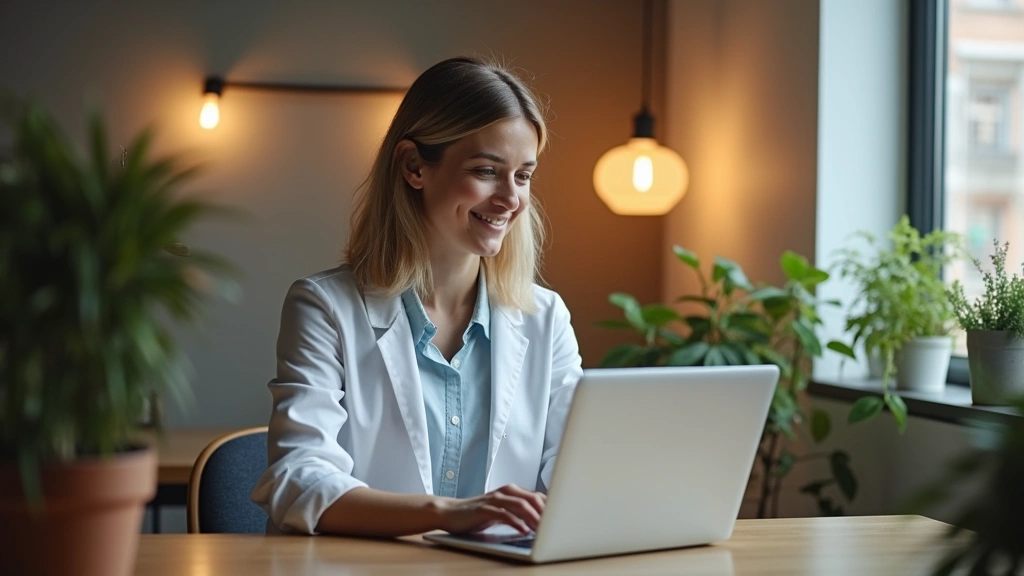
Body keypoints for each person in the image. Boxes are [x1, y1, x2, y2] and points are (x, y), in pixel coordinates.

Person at [251, 57, 584, 537]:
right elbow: (299, 480)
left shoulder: (545, 318)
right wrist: (447, 515)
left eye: (524, 175)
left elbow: (577, 473)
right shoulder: (323, 307)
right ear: (413, 167)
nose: (511, 199)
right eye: (488, 171)